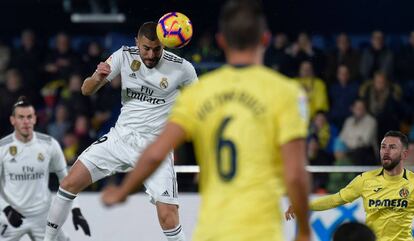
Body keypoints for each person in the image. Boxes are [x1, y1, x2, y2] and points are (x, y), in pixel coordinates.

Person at [101, 1, 311, 241]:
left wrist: (122, 192)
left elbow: (154, 153)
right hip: (261, 230)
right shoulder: (288, 93)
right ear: (265, 39)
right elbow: (295, 173)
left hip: (212, 230)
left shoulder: (201, 94)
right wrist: (304, 230)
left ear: (221, 41)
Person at [43, 22, 198, 241]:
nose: (151, 54)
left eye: (156, 49)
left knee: (168, 216)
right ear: (137, 43)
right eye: (146, 48)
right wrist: (97, 77)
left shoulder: (183, 69)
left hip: (155, 148)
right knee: (68, 183)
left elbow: (201, 106)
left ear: (164, 44)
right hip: (120, 139)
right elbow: (86, 90)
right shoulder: (123, 56)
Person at [286, 130, 414, 241]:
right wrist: (303, 206)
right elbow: (336, 199)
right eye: (383, 147)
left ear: (404, 154)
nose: (386, 151)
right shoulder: (366, 179)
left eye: (392, 147)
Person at [0, 96, 90, 241]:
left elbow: (67, 180)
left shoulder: (49, 144)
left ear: (35, 119)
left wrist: (76, 210)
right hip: (11, 215)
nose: (25, 121)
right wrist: (6, 208)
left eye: (29, 117)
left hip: (42, 216)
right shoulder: (2, 147)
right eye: (21, 117)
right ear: (13, 120)